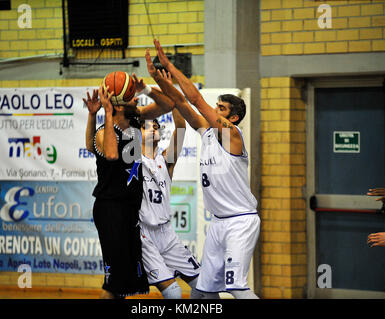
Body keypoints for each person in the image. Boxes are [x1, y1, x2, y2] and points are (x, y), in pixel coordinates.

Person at [152, 39, 261, 299]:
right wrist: (160, 79)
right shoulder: (207, 132)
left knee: (237, 287)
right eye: (216, 107)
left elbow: (195, 98)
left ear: (233, 118)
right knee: (202, 291)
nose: (214, 111)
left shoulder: (231, 134)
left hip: (240, 222)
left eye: (221, 109)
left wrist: (170, 66)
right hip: (218, 224)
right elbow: (181, 103)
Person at [83, 73, 176, 299]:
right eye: (133, 97)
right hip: (110, 209)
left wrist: (146, 90)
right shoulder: (106, 132)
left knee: (124, 282)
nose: (137, 100)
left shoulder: (136, 121)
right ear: (121, 107)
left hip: (130, 209)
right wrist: (103, 112)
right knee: (114, 283)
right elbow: (112, 155)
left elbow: (168, 104)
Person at [137, 62, 200, 299]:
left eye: (155, 125)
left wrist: (170, 87)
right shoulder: (132, 160)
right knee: (173, 292)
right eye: (146, 127)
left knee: (204, 286)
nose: (153, 127)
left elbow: (181, 128)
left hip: (167, 233)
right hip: (145, 234)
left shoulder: (166, 160)